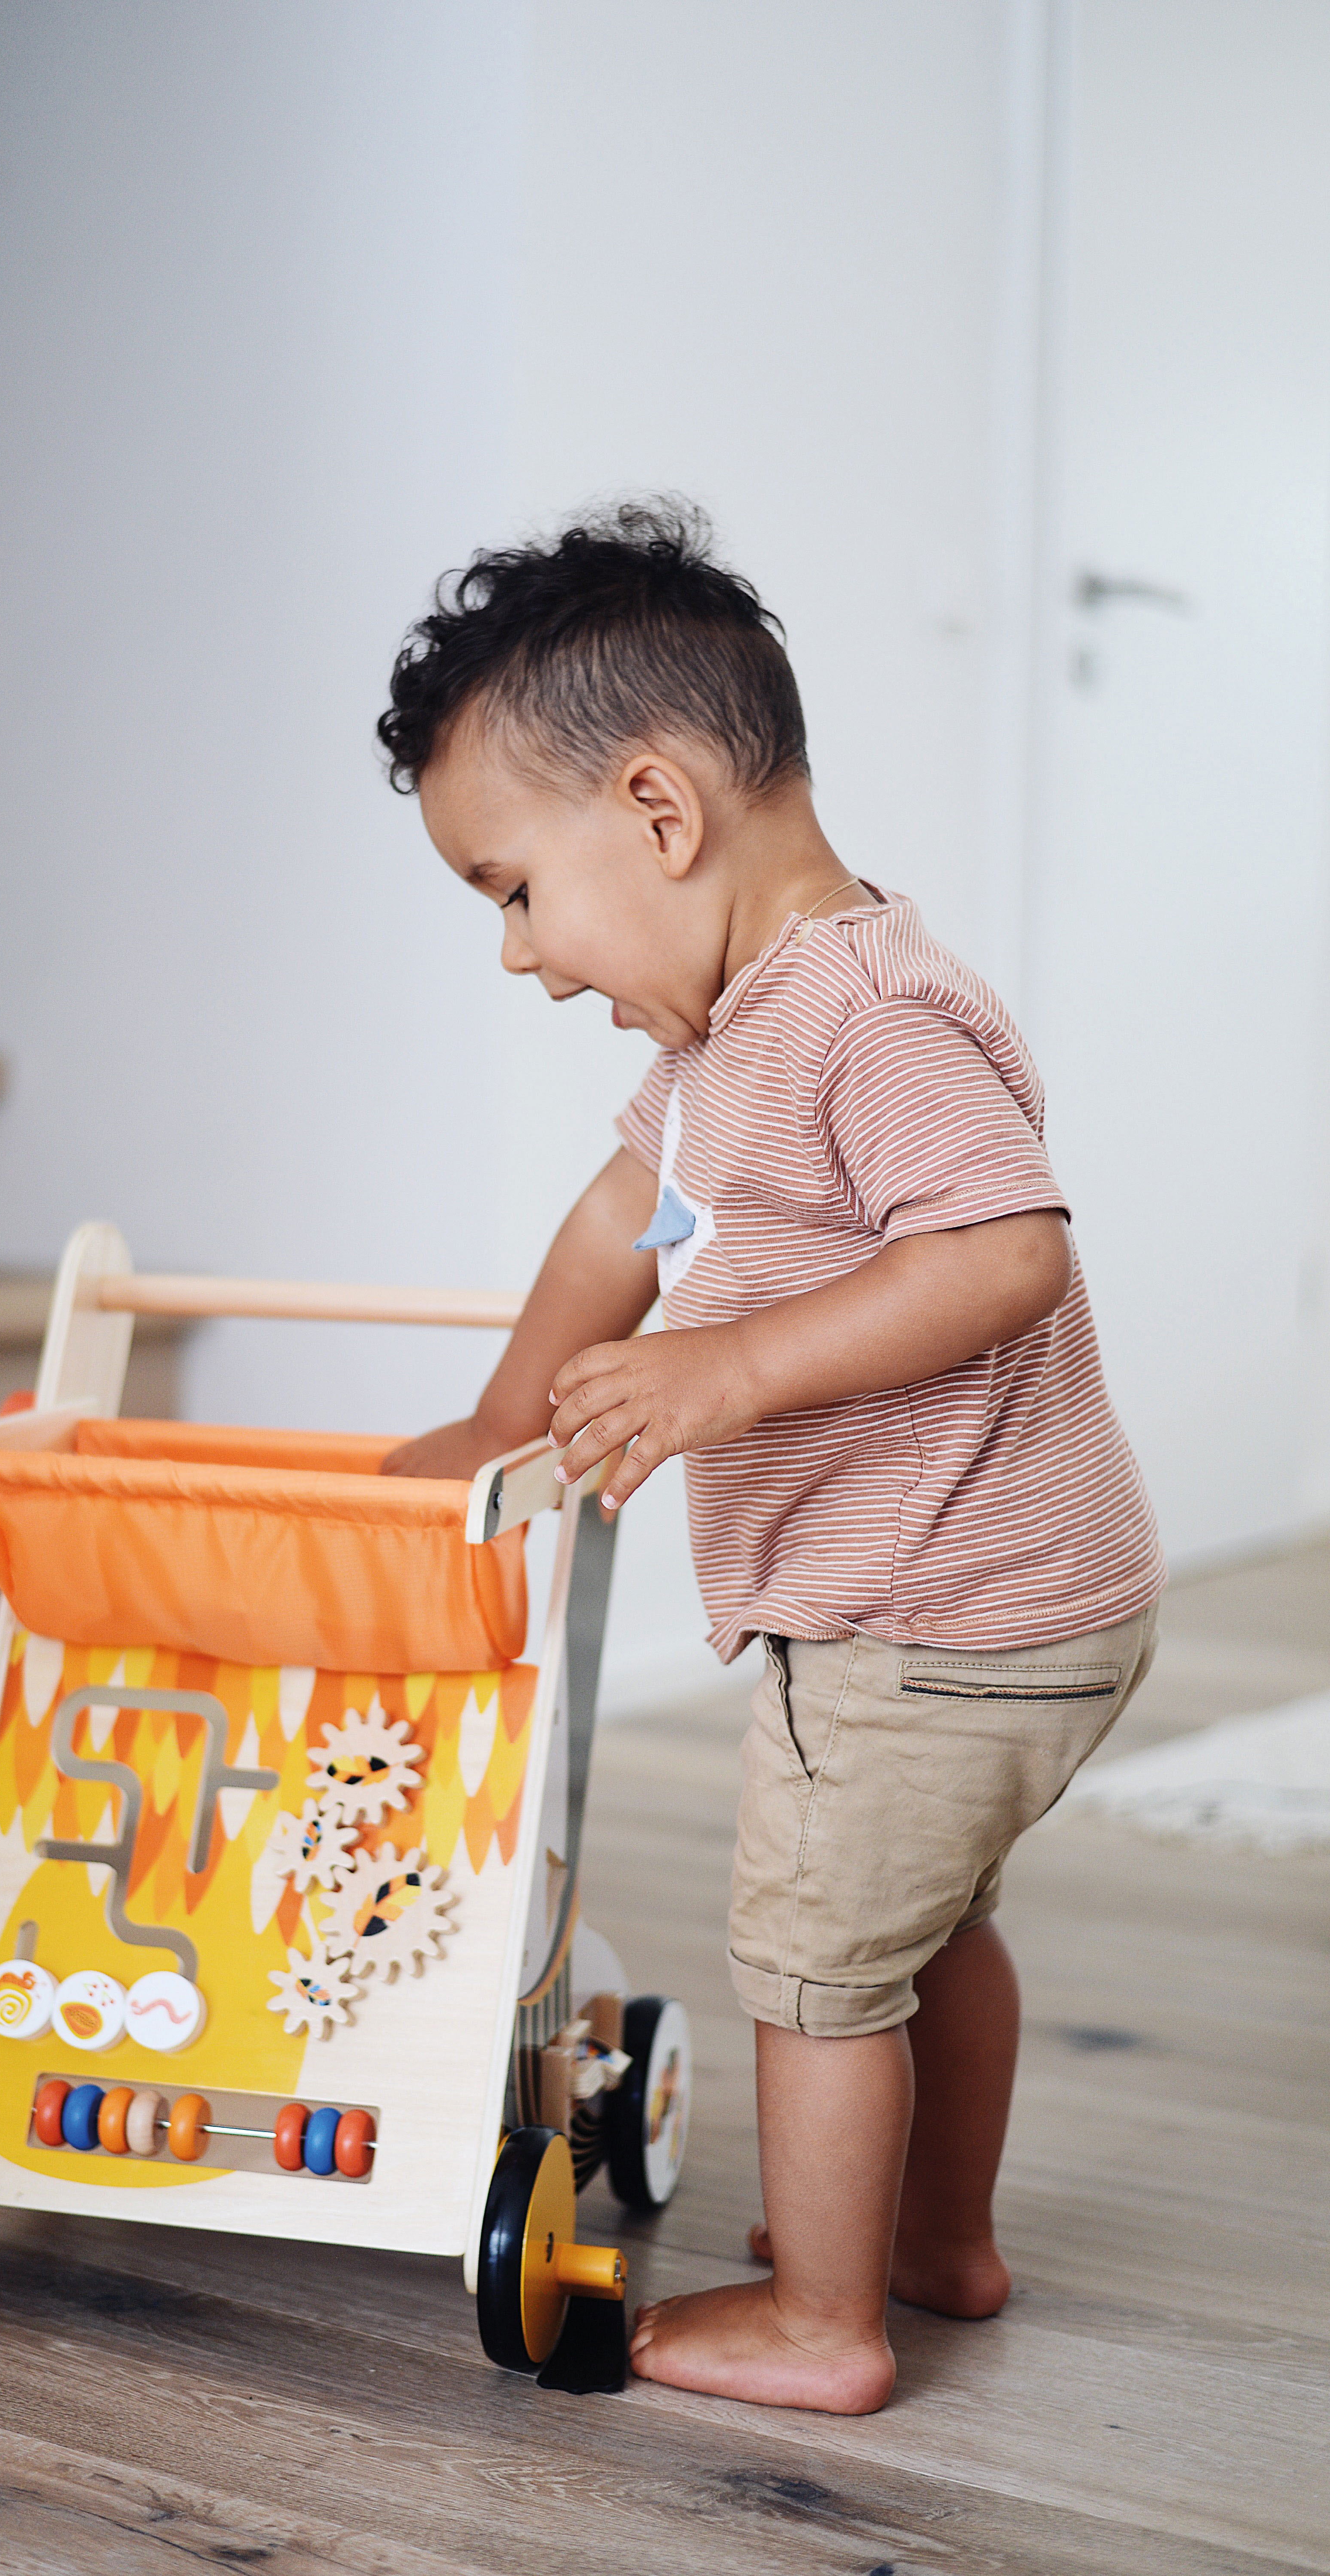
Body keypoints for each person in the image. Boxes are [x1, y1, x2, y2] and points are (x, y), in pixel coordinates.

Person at [374, 502, 1164, 2414]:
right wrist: (506, 1413)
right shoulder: (726, 1040)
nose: (515, 956)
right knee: (924, 1928)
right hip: (1020, 1601)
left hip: (924, 1615)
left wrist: (727, 1371)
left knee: (811, 1962)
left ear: (658, 811)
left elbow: (1001, 1253)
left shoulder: (860, 1014)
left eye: (513, 891)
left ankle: (824, 2321)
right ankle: (932, 2240)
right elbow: (622, 1220)